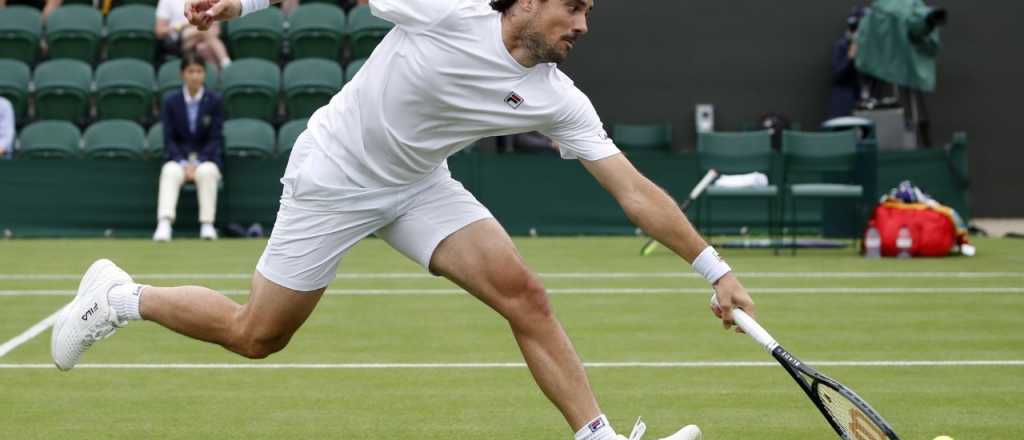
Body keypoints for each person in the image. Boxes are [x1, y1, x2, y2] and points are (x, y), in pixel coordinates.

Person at [52, 1, 756, 439]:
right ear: (528, 2)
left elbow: (632, 189)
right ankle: (119, 297)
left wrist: (714, 268)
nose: (582, 26)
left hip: (419, 184)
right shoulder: (446, 10)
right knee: (257, 335)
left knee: (526, 296)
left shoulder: (556, 97)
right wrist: (243, 3)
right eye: (573, 8)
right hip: (335, 175)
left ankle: (594, 436)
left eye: (589, 13)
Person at [152, 51, 224, 241]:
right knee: (169, 171)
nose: (195, 76)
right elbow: (169, 139)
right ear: (182, 74)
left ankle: (207, 225)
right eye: (191, 71)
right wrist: (183, 163)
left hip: (206, 159)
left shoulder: (215, 101)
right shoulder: (171, 101)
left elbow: (215, 138)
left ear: (204, 74)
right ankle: (164, 223)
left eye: (199, 71)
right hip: (179, 159)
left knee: (207, 172)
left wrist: (199, 162)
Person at [156, 0, 231, 68]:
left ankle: (217, 76)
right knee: (205, 32)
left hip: (205, 38)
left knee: (203, 47)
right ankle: (226, 64)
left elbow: (216, 29)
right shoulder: (166, 1)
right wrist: (182, 26)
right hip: (179, 39)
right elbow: (159, 32)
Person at [828, 7, 866, 119]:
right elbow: (838, 74)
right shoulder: (841, 46)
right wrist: (851, 56)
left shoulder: (867, 49)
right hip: (844, 106)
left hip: (862, 105)